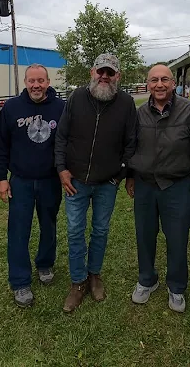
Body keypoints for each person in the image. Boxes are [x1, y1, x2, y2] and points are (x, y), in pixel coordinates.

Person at [54, 52, 137, 313]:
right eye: (100, 71)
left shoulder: (126, 103)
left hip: (106, 183)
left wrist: (118, 175)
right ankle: (78, 282)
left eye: (110, 72)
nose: (104, 76)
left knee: (100, 231)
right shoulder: (77, 97)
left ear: (117, 76)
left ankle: (94, 275)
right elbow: (61, 137)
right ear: (92, 72)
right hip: (74, 181)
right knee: (75, 232)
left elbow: (131, 143)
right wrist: (62, 170)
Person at [125, 64, 190, 313]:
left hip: (177, 185)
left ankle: (177, 287)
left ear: (173, 84)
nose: (159, 84)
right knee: (144, 235)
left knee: (177, 238)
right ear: (147, 84)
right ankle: (147, 279)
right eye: (153, 80)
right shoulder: (139, 115)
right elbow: (130, 147)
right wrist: (130, 176)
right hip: (145, 185)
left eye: (164, 80)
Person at [0, 63, 65, 308]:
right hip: (20, 181)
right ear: (25, 82)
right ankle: (20, 281)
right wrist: (1, 177)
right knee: (18, 231)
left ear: (48, 82)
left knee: (49, 225)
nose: (36, 85)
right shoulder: (12, 108)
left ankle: (45, 264)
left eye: (41, 81)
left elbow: (67, 143)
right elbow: (0, 145)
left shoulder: (61, 108)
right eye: (31, 81)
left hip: (50, 180)